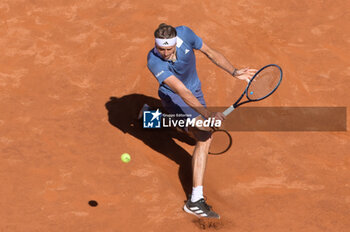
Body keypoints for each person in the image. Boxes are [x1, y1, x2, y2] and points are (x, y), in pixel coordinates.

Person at [147, 23, 256, 219]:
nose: (163, 53)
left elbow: (209, 52)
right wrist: (208, 115)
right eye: (160, 48)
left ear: (175, 42)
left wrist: (234, 71)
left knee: (194, 133)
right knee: (205, 136)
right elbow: (182, 91)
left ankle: (154, 118)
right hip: (175, 97)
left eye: (168, 49)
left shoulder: (185, 33)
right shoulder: (154, 61)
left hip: (195, 91)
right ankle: (195, 201)